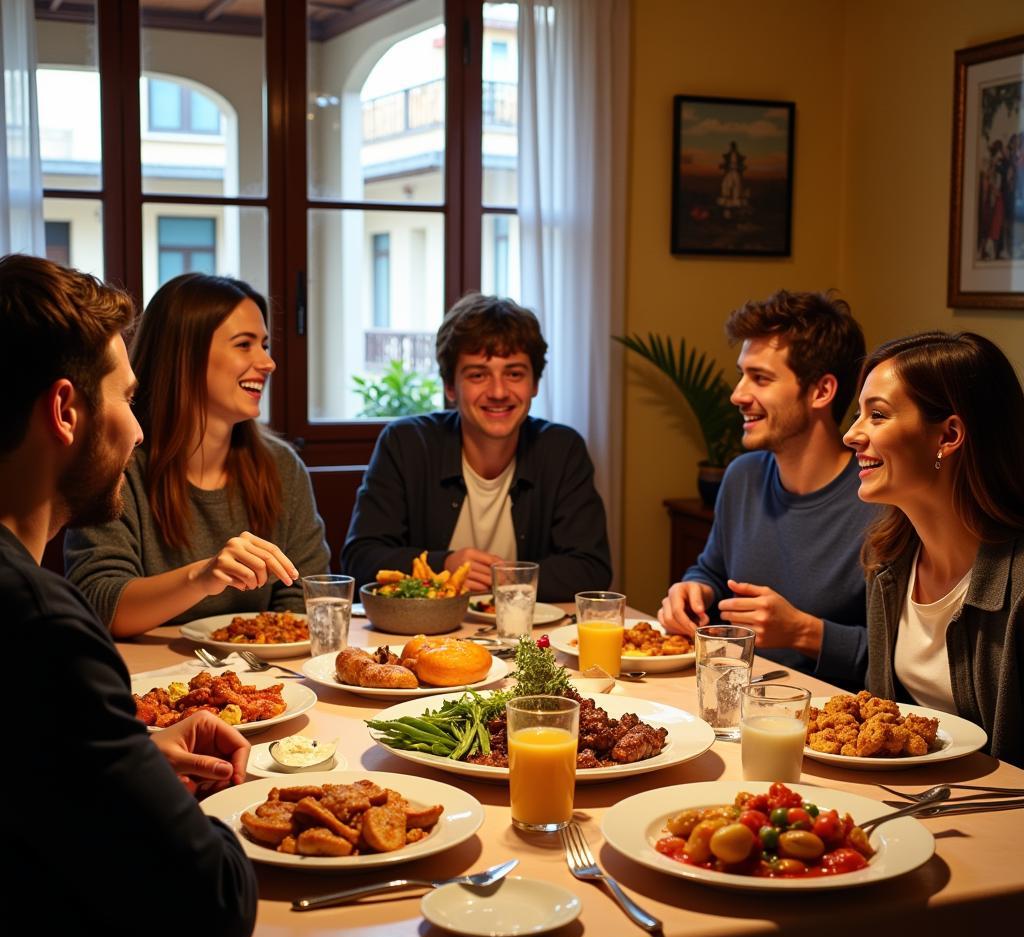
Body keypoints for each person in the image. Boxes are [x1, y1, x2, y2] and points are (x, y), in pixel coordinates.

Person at [0, 254, 257, 937]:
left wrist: (131, 755)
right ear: (67, 410)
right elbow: (211, 906)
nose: (139, 432)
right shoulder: (40, 624)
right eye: (128, 400)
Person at [64, 273, 329, 637]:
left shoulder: (283, 466)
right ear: (184, 356)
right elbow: (96, 601)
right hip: (144, 679)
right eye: (244, 345)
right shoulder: (117, 462)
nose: (268, 363)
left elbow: (301, 598)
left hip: (256, 677)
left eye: (265, 345)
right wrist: (202, 577)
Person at [659, 289, 876, 687]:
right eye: (743, 374)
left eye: (760, 378)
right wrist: (693, 589)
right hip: (734, 696)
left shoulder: (878, 501)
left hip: (832, 724)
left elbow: (903, 658)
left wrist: (804, 632)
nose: (738, 394)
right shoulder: (743, 476)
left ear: (821, 391)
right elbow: (713, 569)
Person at [342, 293, 612, 601]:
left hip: (526, 642)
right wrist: (445, 565)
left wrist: (507, 579)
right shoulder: (406, 443)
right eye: (478, 375)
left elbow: (592, 569)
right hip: (423, 639)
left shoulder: (562, 449)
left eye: (514, 373)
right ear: (450, 386)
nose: (498, 391)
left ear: (535, 384)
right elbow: (360, 559)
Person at [843, 330, 1024, 767]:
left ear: (949, 435)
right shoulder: (888, 563)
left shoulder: (1018, 586)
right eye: (858, 414)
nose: (851, 435)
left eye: (877, 416)